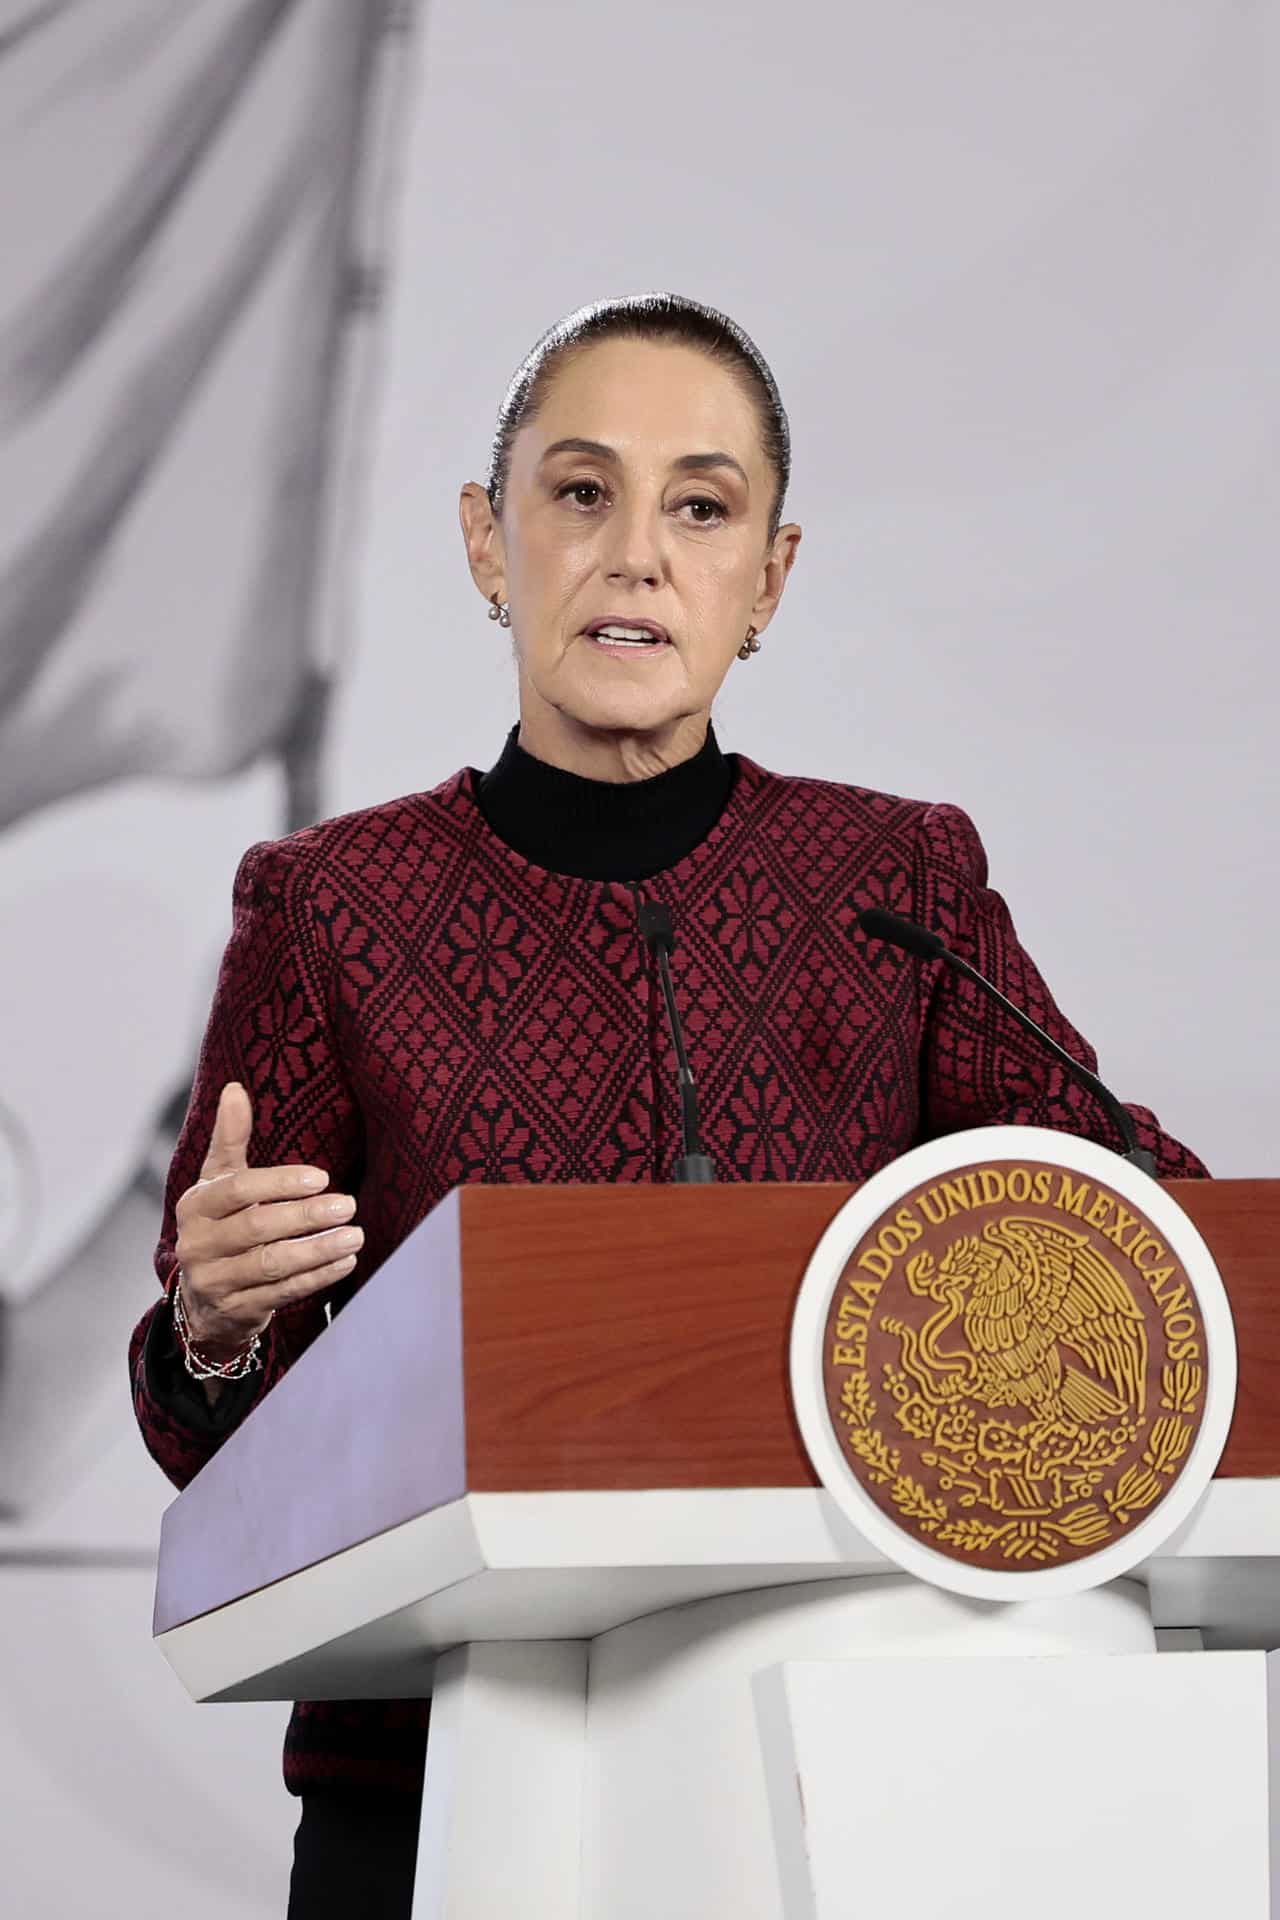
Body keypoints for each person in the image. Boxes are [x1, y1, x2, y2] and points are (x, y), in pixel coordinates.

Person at [127, 292, 1208, 1918]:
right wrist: (213, 1324)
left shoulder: (893, 881)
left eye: (700, 507)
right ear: (491, 546)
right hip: (435, 1787)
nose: (637, 554)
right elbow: (220, 1423)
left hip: (849, 1765)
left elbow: (1137, 1220)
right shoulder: (331, 907)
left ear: (765, 579)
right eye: (581, 494)